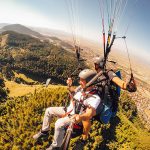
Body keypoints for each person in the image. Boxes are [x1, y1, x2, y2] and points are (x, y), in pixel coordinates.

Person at [33, 69, 101, 150]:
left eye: (82, 80)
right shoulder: (81, 88)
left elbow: (90, 113)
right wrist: (69, 85)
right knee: (49, 110)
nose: (79, 82)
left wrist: (80, 117)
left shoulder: (94, 98)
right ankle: (44, 131)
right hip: (69, 110)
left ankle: (56, 146)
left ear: (90, 83)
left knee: (59, 123)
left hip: (75, 117)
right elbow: (73, 92)